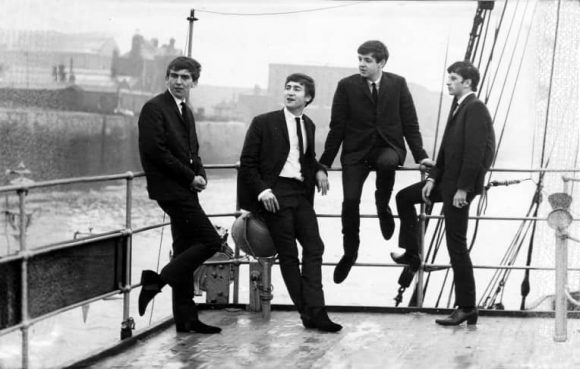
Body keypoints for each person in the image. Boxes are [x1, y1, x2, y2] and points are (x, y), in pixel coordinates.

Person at [319, 40, 433, 284]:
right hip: (356, 152)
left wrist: (420, 155)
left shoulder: (398, 84)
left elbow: (410, 123)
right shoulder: (346, 86)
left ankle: (383, 207)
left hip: (388, 146)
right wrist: (324, 164)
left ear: (381, 62)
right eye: (359, 59)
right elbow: (336, 127)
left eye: (367, 60)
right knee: (350, 201)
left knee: (388, 163)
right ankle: (350, 252)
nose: (361, 64)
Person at [391, 60, 496, 326]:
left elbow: (477, 153)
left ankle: (467, 307)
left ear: (467, 82)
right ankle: (413, 253)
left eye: (452, 78)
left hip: (459, 188)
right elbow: (449, 150)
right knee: (404, 197)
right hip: (446, 182)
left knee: (456, 246)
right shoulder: (460, 107)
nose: (448, 82)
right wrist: (433, 178)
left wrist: (463, 188)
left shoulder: (476, 109)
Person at [238, 73, 342, 332]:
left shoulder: (308, 124)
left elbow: (306, 157)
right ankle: (310, 313)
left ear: (307, 97)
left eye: (297, 89)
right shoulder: (264, 122)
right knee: (288, 254)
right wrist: (263, 191)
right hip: (274, 194)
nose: (290, 92)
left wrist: (319, 169)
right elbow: (248, 162)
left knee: (315, 246)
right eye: (287, 88)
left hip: (300, 193)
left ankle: (315, 310)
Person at [137, 56, 222, 334]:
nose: (178, 81)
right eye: (174, 75)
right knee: (210, 241)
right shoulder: (154, 108)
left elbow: (192, 152)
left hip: (185, 189)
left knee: (185, 248)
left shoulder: (185, 110)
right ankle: (156, 281)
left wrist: (202, 176)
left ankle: (186, 320)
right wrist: (189, 177)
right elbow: (156, 152)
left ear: (194, 82)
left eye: (185, 77)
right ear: (167, 78)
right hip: (171, 190)